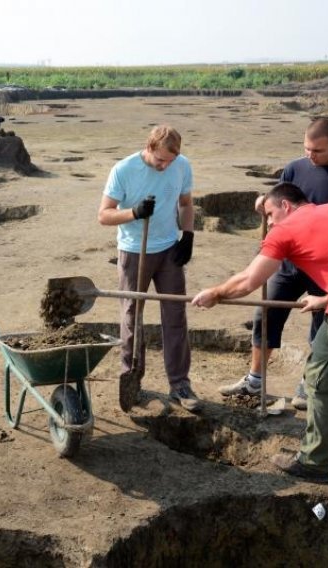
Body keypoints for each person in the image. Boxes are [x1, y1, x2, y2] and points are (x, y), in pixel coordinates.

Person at [193, 182, 328, 483]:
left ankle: (314, 461)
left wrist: (215, 293)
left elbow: (248, 281)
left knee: (318, 383)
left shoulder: (286, 230)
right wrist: (325, 298)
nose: (268, 222)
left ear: (286, 206)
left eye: (269, 213)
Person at [219, 118, 328, 410]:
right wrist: (263, 203)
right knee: (266, 313)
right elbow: (281, 201)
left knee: (322, 326)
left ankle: (307, 384)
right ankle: (255, 379)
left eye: (318, 151)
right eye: (306, 149)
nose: (310, 156)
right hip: (289, 261)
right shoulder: (295, 167)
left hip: (327, 268)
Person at [98, 124, 200, 412]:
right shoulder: (124, 169)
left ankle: (180, 383)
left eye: (171, 160)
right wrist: (134, 212)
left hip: (169, 250)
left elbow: (185, 203)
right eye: (160, 160)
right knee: (132, 317)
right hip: (134, 252)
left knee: (175, 314)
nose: (165, 165)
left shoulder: (181, 166)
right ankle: (132, 381)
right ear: (150, 148)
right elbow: (103, 215)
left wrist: (188, 235)